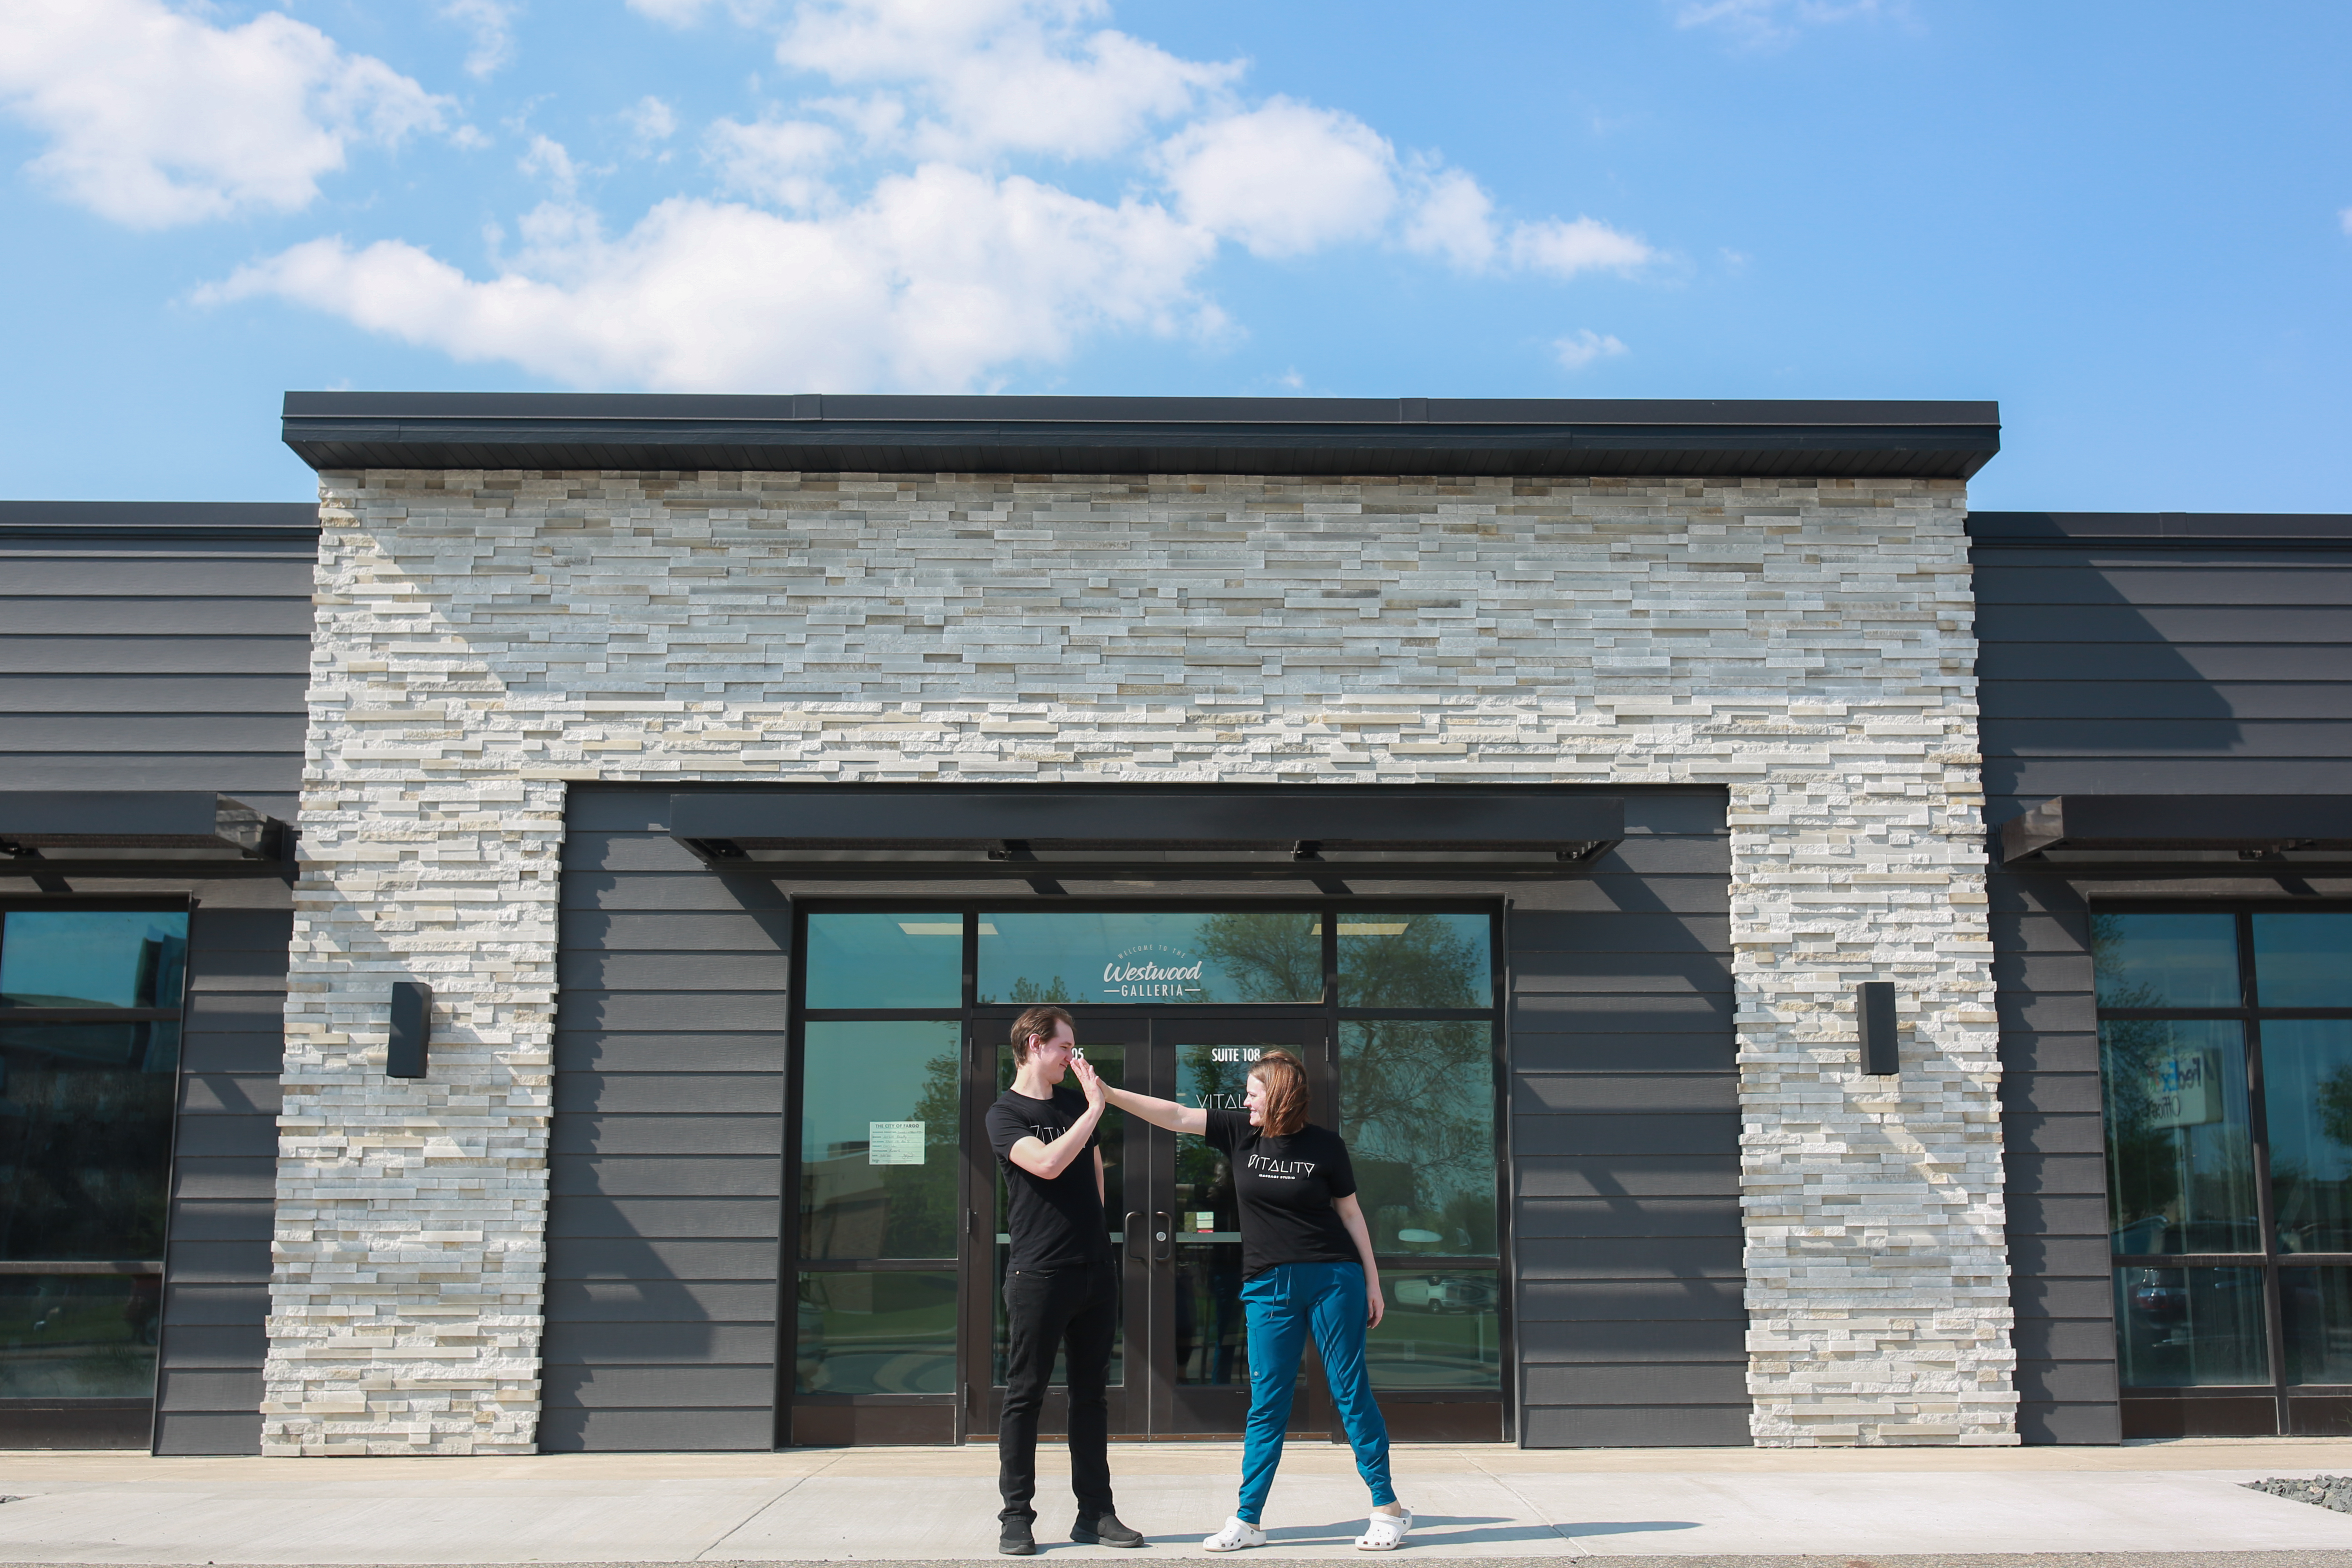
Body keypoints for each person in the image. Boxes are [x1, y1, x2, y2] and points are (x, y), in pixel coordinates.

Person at [1102, 1049, 1412, 1553]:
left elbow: (1352, 1216)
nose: (1244, 1102)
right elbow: (1175, 1116)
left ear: (1280, 1096)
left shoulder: (1326, 1147)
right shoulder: (1239, 1133)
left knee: (1349, 1391)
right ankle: (1248, 1520)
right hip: (1267, 1287)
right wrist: (1111, 1095)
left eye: (1252, 1094)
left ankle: (1387, 1510)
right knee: (1267, 1404)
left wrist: (1373, 1283)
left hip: (1333, 1279)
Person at [983, 1004, 1145, 1557]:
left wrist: (1095, 1248)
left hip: (1093, 1273)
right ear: (1034, 1045)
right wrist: (1095, 1108)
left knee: (1090, 1397)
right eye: (1064, 1048)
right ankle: (1015, 1517)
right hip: (1038, 1275)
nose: (1072, 1058)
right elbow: (1048, 1164)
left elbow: (1094, 1178)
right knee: (1024, 1395)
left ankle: (1095, 1514)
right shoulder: (1004, 1115)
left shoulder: (1076, 1104)